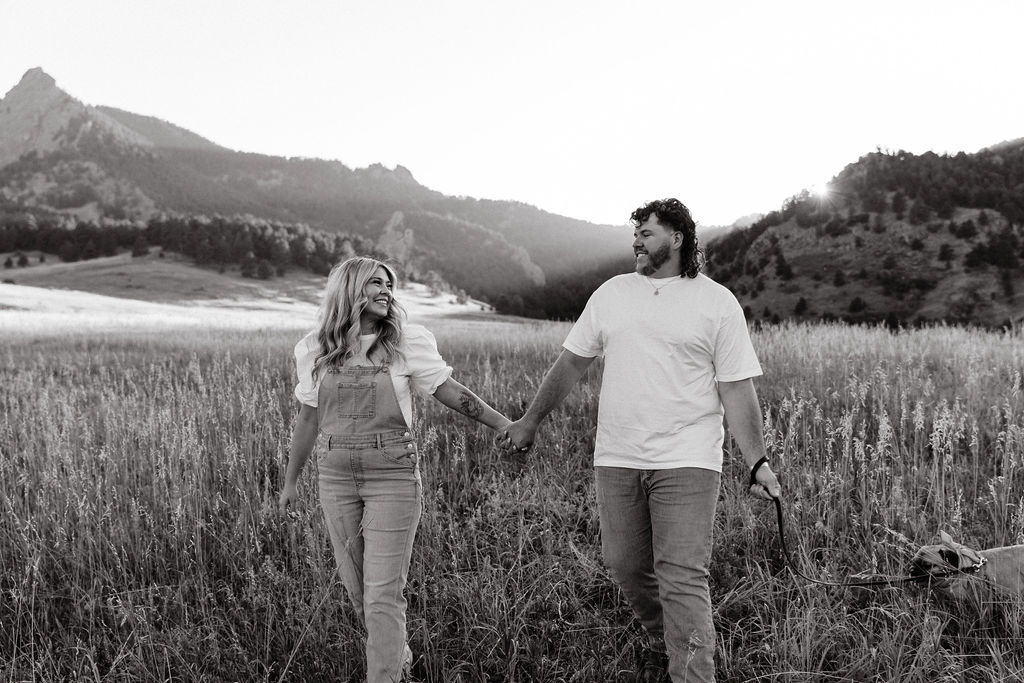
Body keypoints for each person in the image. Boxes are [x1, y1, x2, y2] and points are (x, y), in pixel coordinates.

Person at [502, 198, 782, 683]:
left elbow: (736, 388)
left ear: (677, 238)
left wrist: (757, 461)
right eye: (635, 233)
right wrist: (530, 419)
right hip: (617, 456)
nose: (637, 241)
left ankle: (692, 672)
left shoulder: (716, 302)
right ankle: (669, 638)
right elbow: (571, 363)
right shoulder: (612, 294)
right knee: (626, 566)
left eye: (647, 233)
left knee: (682, 575)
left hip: (688, 458)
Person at [279, 256, 511, 683]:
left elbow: (450, 391)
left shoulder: (407, 342)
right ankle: (397, 656)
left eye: (390, 285)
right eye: (376, 284)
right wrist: (291, 480)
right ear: (349, 289)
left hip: (392, 476)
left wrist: (503, 425)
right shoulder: (314, 349)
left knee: (383, 594)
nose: (387, 291)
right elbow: (308, 418)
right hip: (334, 476)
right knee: (357, 591)